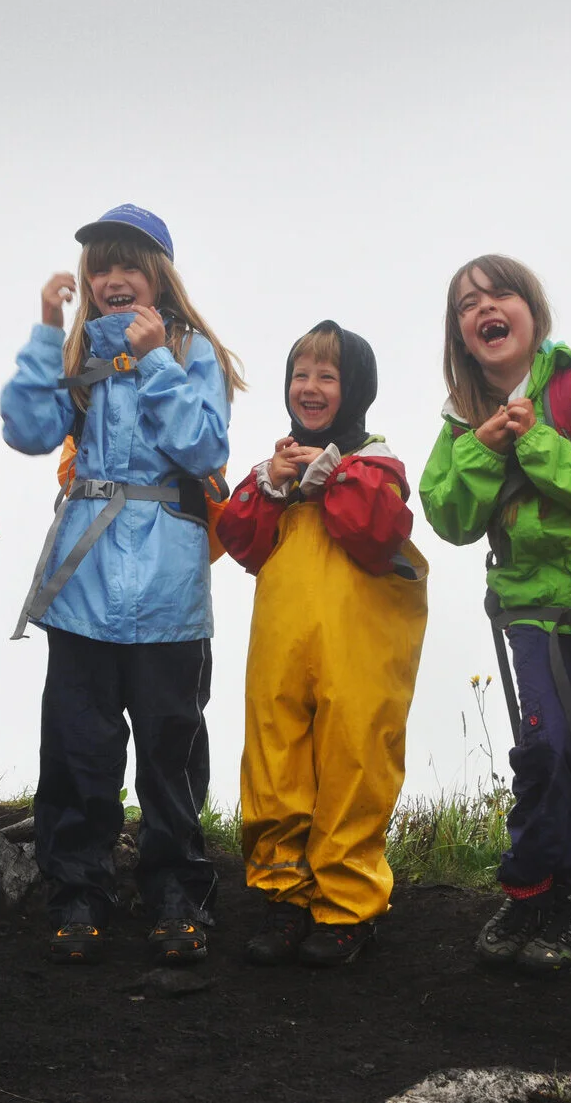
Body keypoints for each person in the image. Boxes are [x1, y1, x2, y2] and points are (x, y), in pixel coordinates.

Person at [1, 204, 243, 967]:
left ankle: (177, 890)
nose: (112, 279)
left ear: (159, 275)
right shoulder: (76, 353)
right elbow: (27, 430)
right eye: (99, 266)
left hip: (170, 587)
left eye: (127, 265)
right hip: (82, 584)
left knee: (171, 747)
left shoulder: (193, 349)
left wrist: (159, 362)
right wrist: (46, 330)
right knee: (80, 746)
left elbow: (203, 445)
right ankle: (77, 888)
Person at [420, 255, 571, 973]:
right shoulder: (461, 420)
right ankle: (529, 889)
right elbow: (448, 516)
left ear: (530, 310)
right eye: (466, 303)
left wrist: (536, 440)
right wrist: (484, 447)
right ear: (461, 333)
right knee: (544, 751)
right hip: (529, 613)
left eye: (499, 292)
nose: (484, 306)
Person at [217, 320, 428, 968]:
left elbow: (373, 533)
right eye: (299, 374)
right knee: (274, 761)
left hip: (358, 653)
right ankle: (284, 897)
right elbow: (238, 540)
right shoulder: (273, 470)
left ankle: (346, 907)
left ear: (355, 387)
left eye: (326, 376)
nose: (309, 387)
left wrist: (330, 475)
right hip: (282, 650)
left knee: (354, 761)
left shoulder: (378, 466)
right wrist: (273, 482)